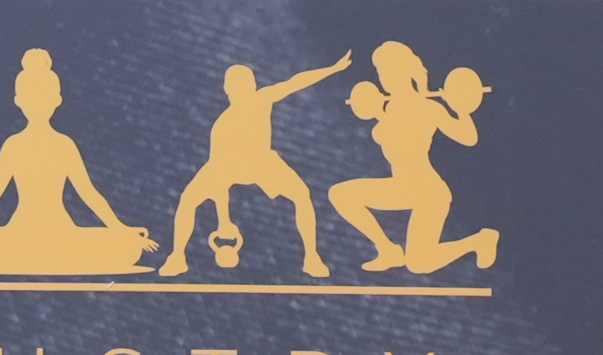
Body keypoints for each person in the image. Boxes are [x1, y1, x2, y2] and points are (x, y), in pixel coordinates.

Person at [0, 48, 150, 276]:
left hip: (60, 233)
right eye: (32, 98)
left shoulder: (64, 145)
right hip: (21, 233)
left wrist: (120, 229)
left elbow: (88, 193)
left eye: (42, 98)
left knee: (121, 244)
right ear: (19, 101)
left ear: (57, 100)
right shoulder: (14, 145)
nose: (37, 104)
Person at [160, 53, 351, 276]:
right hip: (231, 165)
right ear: (227, 89)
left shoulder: (262, 99)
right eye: (236, 84)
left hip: (262, 162)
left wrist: (332, 69)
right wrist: (224, 221)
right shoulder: (222, 126)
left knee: (301, 194)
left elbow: (295, 83)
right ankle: (177, 257)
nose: (242, 88)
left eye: (246, 83)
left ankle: (312, 258)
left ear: (252, 85)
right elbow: (218, 176)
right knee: (188, 200)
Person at [327, 45, 499, 275]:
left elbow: (468, 138)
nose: (385, 79)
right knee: (341, 195)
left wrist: (461, 108)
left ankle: (479, 241)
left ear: (406, 72)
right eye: (382, 73)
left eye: (390, 72)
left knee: (419, 264)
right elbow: (386, 135)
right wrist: (377, 111)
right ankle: (388, 249)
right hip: (403, 186)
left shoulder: (426, 106)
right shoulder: (391, 108)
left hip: (428, 192)